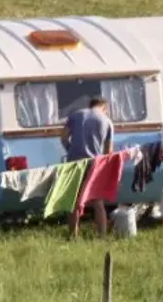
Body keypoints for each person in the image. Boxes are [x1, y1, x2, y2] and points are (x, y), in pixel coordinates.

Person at [63, 96, 114, 239]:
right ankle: (102, 237)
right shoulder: (107, 121)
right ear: (104, 107)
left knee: (73, 200)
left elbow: (63, 137)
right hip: (95, 163)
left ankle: (73, 235)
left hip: (74, 162)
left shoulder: (75, 115)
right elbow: (108, 151)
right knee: (97, 201)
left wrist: (71, 150)